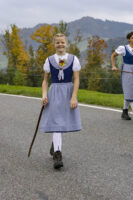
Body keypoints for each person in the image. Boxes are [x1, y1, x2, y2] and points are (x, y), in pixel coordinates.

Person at [39, 33, 82, 169]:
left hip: (68, 92)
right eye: (57, 42)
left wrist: (74, 96)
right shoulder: (49, 60)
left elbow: (76, 79)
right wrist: (44, 95)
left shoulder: (73, 59)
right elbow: (45, 80)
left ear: (66, 43)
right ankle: (58, 154)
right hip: (54, 92)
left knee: (61, 122)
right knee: (57, 122)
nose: (60, 45)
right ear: (54, 44)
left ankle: (54, 144)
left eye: (62, 42)